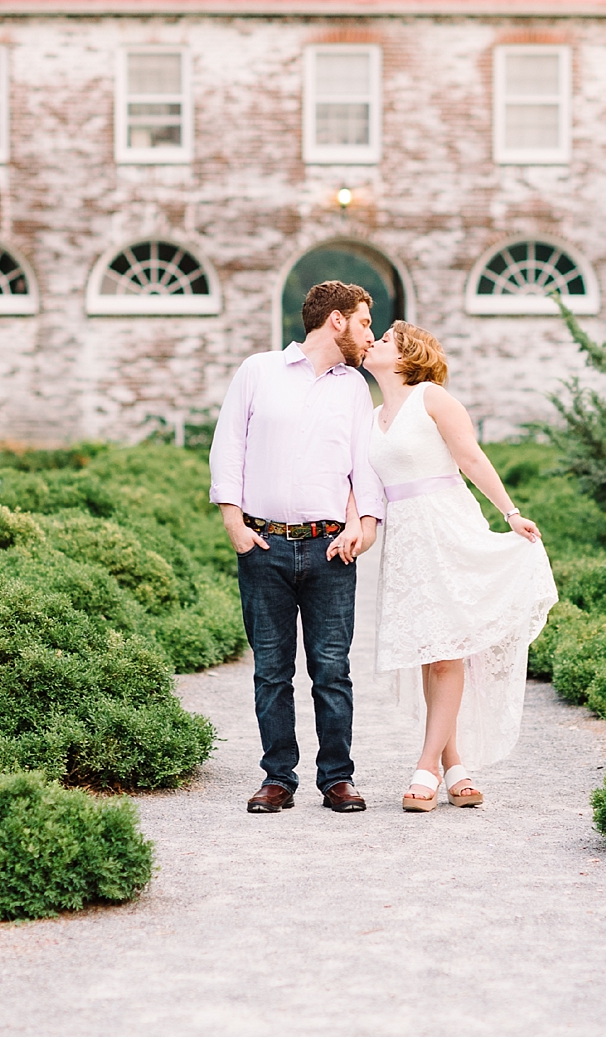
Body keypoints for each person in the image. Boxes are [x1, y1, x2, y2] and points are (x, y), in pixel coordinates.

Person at [359, 321, 558, 812]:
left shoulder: (433, 398)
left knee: (447, 650)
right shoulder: (371, 416)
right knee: (432, 649)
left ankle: (425, 765)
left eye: (384, 339)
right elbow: (363, 486)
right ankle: (456, 766)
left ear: (407, 355)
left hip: (448, 526)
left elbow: (470, 456)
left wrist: (510, 513)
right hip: (406, 543)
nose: (374, 342)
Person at [209, 280, 386, 815]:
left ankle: (337, 779)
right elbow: (228, 446)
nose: (369, 334)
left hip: (330, 548)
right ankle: (277, 779)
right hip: (264, 546)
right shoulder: (257, 371)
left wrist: (367, 523)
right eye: (363, 322)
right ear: (336, 321)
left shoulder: (353, 386)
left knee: (332, 668)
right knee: (271, 669)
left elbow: (363, 461)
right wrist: (233, 524)